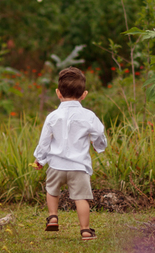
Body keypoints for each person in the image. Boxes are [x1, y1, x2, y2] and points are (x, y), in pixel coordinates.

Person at [32, 67, 107, 241]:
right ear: (84, 94)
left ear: (58, 93)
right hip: (78, 167)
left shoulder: (52, 116)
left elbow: (44, 141)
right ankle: (86, 230)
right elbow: (99, 134)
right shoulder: (88, 115)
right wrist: (98, 145)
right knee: (81, 198)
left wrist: (40, 159)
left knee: (52, 191)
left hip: (56, 165)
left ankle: (52, 217)